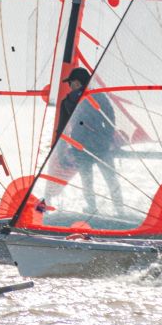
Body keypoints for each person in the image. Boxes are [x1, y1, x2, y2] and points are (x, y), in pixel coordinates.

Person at [45, 68, 124, 216]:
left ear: (77, 82)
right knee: (111, 180)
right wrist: (105, 139)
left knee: (88, 183)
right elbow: (111, 120)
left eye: (70, 83)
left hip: (81, 147)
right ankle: (120, 210)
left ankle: (92, 210)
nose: (69, 86)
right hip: (99, 147)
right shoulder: (99, 97)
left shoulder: (68, 101)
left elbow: (61, 130)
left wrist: (60, 152)